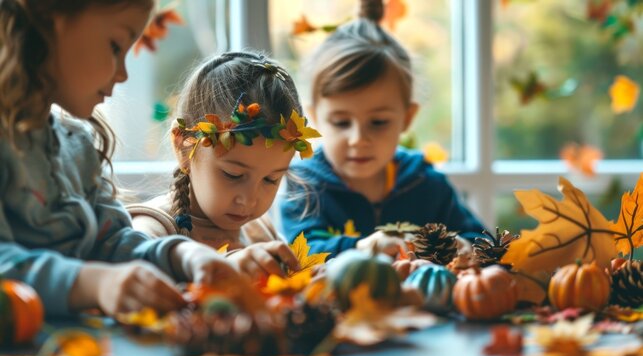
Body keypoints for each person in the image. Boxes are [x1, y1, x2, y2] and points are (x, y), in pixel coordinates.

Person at [0, 0, 239, 317]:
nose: (124, 74)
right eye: (116, 47)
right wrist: (94, 283)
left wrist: (184, 255)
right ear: (50, 18)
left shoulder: (79, 147)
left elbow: (112, 243)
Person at [278, 0, 487, 258]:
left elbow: (481, 241)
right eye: (341, 122)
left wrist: (465, 247)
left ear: (407, 118)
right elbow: (301, 252)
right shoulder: (305, 186)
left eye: (378, 122)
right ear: (315, 118)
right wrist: (361, 248)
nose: (358, 139)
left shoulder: (427, 184)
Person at [128, 51, 320, 279]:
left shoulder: (259, 231)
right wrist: (225, 267)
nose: (249, 200)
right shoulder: (155, 227)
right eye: (233, 175)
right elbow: (130, 267)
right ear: (184, 146)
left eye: (271, 179)